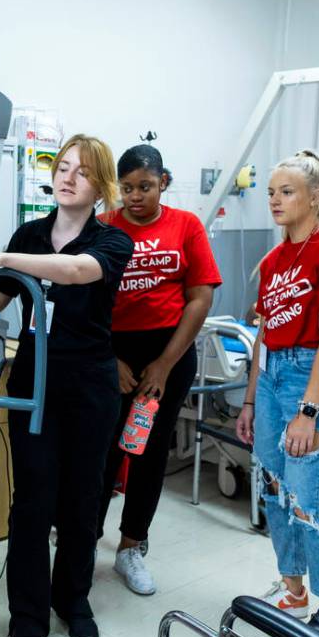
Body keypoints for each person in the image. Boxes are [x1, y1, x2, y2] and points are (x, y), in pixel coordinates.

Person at [0, 134, 133, 637]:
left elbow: (73, 272)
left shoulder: (113, 242)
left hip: (90, 384)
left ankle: (74, 601)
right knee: (32, 503)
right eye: (62, 167)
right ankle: (27, 620)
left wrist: (2, 258)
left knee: (82, 499)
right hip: (33, 382)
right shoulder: (28, 234)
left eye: (82, 172)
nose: (67, 177)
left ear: (101, 187)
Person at [236, 150, 319, 617]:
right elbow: (263, 336)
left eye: (286, 191)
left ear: (316, 196)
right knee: (274, 490)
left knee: (309, 503)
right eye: (271, 192)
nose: (275, 200)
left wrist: (308, 413)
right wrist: (250, 400)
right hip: (272, 378)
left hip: (310, 379)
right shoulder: (274, 261)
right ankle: (293, 591)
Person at [97, 145, 221, 595]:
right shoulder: (105, 225)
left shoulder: (185, 226)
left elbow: (200, 298)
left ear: (163, 181)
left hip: (168, 351)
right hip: (111, 352)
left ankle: (131, 547)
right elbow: (86, 300)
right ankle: (85, 536)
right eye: (126, 188)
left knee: (147, 452)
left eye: (144, 187)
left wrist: (164, 366)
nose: (134, 196)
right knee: (102, 449)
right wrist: (110, 359)